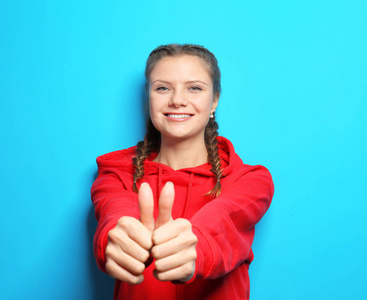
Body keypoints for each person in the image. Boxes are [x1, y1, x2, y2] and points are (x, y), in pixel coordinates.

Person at [91, 44, 274, 300]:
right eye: (163, 88)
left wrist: (197, 246)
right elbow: (115, 209)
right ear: (149, 98)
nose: (177, 100)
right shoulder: (116, 173)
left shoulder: (250, 180)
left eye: (194, 88)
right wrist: (117, 236)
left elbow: (224, 221)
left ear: (215, 100)